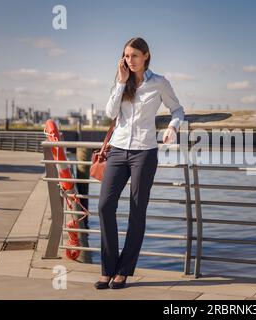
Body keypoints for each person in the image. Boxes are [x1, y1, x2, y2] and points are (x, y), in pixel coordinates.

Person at [94, 37, 184, 289]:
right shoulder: (121, 82)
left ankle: (123, 270)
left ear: (146, 56)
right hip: (118, 150)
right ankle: (107, 268)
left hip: (144, 152)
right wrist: (121, 83)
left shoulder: (159, 83)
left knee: (136, 210)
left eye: (134, 55)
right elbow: (110, 113)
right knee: (104, 206)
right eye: (126, 56)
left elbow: (178, 109)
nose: (129, 60)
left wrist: (173, 128)